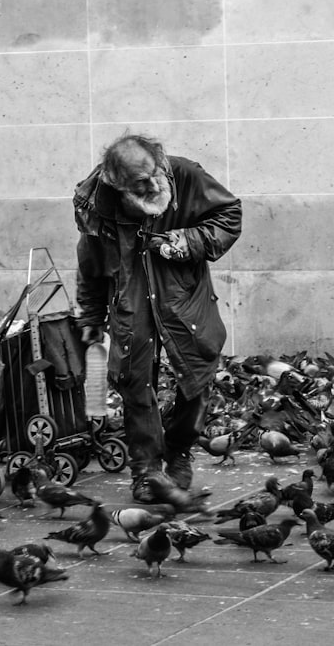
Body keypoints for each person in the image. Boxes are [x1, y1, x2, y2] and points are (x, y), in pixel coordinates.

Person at [71, 134, 242, 503]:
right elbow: (91, 263)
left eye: (154, 175)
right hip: (129, 296)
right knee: (134, 383)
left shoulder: (183, 175)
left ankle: (179, 451)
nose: (152, 185)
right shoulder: (95, 203)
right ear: (116, 184)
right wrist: (90, 315)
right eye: (139, 183)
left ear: (161, 162)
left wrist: (186, 241)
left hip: (182, 293)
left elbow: (229, 215)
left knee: (196, 371)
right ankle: (146, 470)